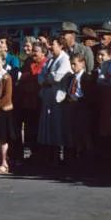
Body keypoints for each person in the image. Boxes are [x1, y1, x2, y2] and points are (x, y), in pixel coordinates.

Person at [38, 37, 72, 165]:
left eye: (53, 44)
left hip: (58, 97)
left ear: (61, 45)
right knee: (48, 126)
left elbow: (58, 76)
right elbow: (41, 75)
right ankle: (51, 154)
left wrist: (47, 78)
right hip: (48, 96)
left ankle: (60, 155)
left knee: (58, 126)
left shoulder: (65, 59)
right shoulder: (50, 60)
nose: (50, 47)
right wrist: (46, 78)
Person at [13, 40, 46, 165]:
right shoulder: (28, 62)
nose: (33, 54)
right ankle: (29, 154)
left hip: (38, 101)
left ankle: (39, 155)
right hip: (26, 101)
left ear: (43, 53)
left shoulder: (46, 63)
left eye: (36, 52)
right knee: (29, 130)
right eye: (33, 51)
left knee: (37, 129)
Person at [65, 53, 92, 163]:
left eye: (74, 64)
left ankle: (88, 157)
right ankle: (77, 155)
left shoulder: (87, 78)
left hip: (82, 108)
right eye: (71, 64)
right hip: (72, 107)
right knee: (74, 133)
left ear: (82, 63)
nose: (72, 67)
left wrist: (78, 100)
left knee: (84, 133)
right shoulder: (71, 77)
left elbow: (89, 96)